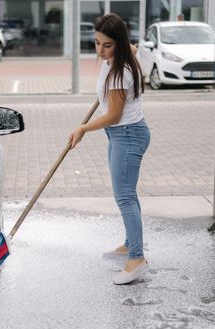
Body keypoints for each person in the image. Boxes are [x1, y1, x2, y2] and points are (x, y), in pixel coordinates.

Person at [68, 13, 150, 285]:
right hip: (124, 135)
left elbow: (114, 116)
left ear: (120, 43)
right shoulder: (125, 56)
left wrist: (83, 128)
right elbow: (135, 48)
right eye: (97, 44)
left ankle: (137, 259)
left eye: (107, 45)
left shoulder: (119, 72)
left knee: (124, 197)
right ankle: (130, 243)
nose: (100, 51)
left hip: (126, 135)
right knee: (128, 194)